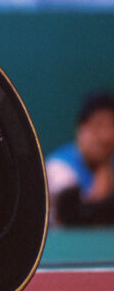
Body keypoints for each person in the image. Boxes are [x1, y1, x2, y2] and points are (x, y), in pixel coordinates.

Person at [45, 92, 114, 225]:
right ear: (81, 129)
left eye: (111, 126)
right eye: (98, 125)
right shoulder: (58, 168)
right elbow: (74, 218)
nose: (106, 137)